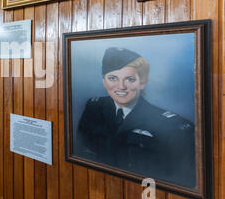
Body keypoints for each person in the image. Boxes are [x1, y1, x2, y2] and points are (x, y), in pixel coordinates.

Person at [75, 47, 196, 187]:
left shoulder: (173, 127)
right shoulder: (94, 108)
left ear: (142, 82)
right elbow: (82, 151)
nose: (121, 86)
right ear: (104, 81)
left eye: (130, 79)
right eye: (112, 78)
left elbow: (183, 182)